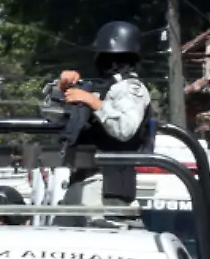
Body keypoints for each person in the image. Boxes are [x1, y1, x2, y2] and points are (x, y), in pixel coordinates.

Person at [56, 21, 153, 207]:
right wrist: (63, 88)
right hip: (81, 180)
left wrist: (93, 102)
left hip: (106, 186)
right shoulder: (101, 89)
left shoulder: (131, 88)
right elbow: (55, 117)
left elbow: (124, 128)